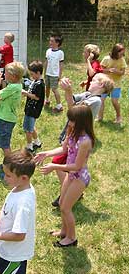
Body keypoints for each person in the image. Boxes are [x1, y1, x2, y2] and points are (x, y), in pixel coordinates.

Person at [35, 105, 95, 248]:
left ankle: (71, 238)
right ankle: (64, 231)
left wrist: (54, 166)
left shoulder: (85, 141)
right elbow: (63, 149)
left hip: (80, 177)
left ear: (81, 121)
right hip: (71, 175)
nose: (69, 123)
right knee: (62, 204)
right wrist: (47, 153)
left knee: (66, 208)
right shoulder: (73, 131)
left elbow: (77, 166)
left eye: (72, 120)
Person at [51, 73, 114, 207]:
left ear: (101, 85)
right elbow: (71, 101)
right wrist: (68, 90)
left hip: (77, 139)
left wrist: (68, 90)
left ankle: (71, 193)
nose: (90, 82)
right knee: (62, 165)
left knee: (63, 166)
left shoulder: (96, 101)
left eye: (94, 80)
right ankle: (69, 192)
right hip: (72, 135)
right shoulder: (87, 95)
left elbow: (73, 109)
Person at [0, 62, 24, 178]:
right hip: (4, 118)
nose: (4, 74)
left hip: (6, 120)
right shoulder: (14, 86)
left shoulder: (13, 87)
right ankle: (5, 165)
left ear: (13, 76)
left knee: (5, 145)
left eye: (6, 73)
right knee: (3, 144)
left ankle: (10, 169)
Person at [97, 43, 127, 124]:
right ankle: (99, 117)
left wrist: (117, 71)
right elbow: (100, 69)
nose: (122, 55)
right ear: (115, 52)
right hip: (105, 83)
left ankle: (118, 117)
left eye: (123, 53)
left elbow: (123, 72)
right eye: (121, 53)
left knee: (114, 101)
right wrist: (109, 70)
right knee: (101, 100)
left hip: (116, 84)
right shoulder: (107, 59)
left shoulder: (122, 60)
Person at [22, 61, 45, 152]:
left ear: (38, 73)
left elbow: (36, 97)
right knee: (31, 126)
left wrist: (26, 93)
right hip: (30, 109)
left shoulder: (39, 84)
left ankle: (29, 146)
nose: (31, 76)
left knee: (28, 129)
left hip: (33, 110)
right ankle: (37, 142)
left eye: (32, 74)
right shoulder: (35, 81)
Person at [44, 34, 64, 113]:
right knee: (47, 87)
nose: (50, 42)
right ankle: (47, 100)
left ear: (57, 43)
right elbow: (46, 61)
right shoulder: (48, 51)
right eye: (50, 41)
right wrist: (44, 72)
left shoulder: (60, 53)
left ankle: (59, 105)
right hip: (48, 74)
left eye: (52, 41)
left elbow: (61, 64)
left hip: (54, 75)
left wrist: (59, 75)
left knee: (54, 89)